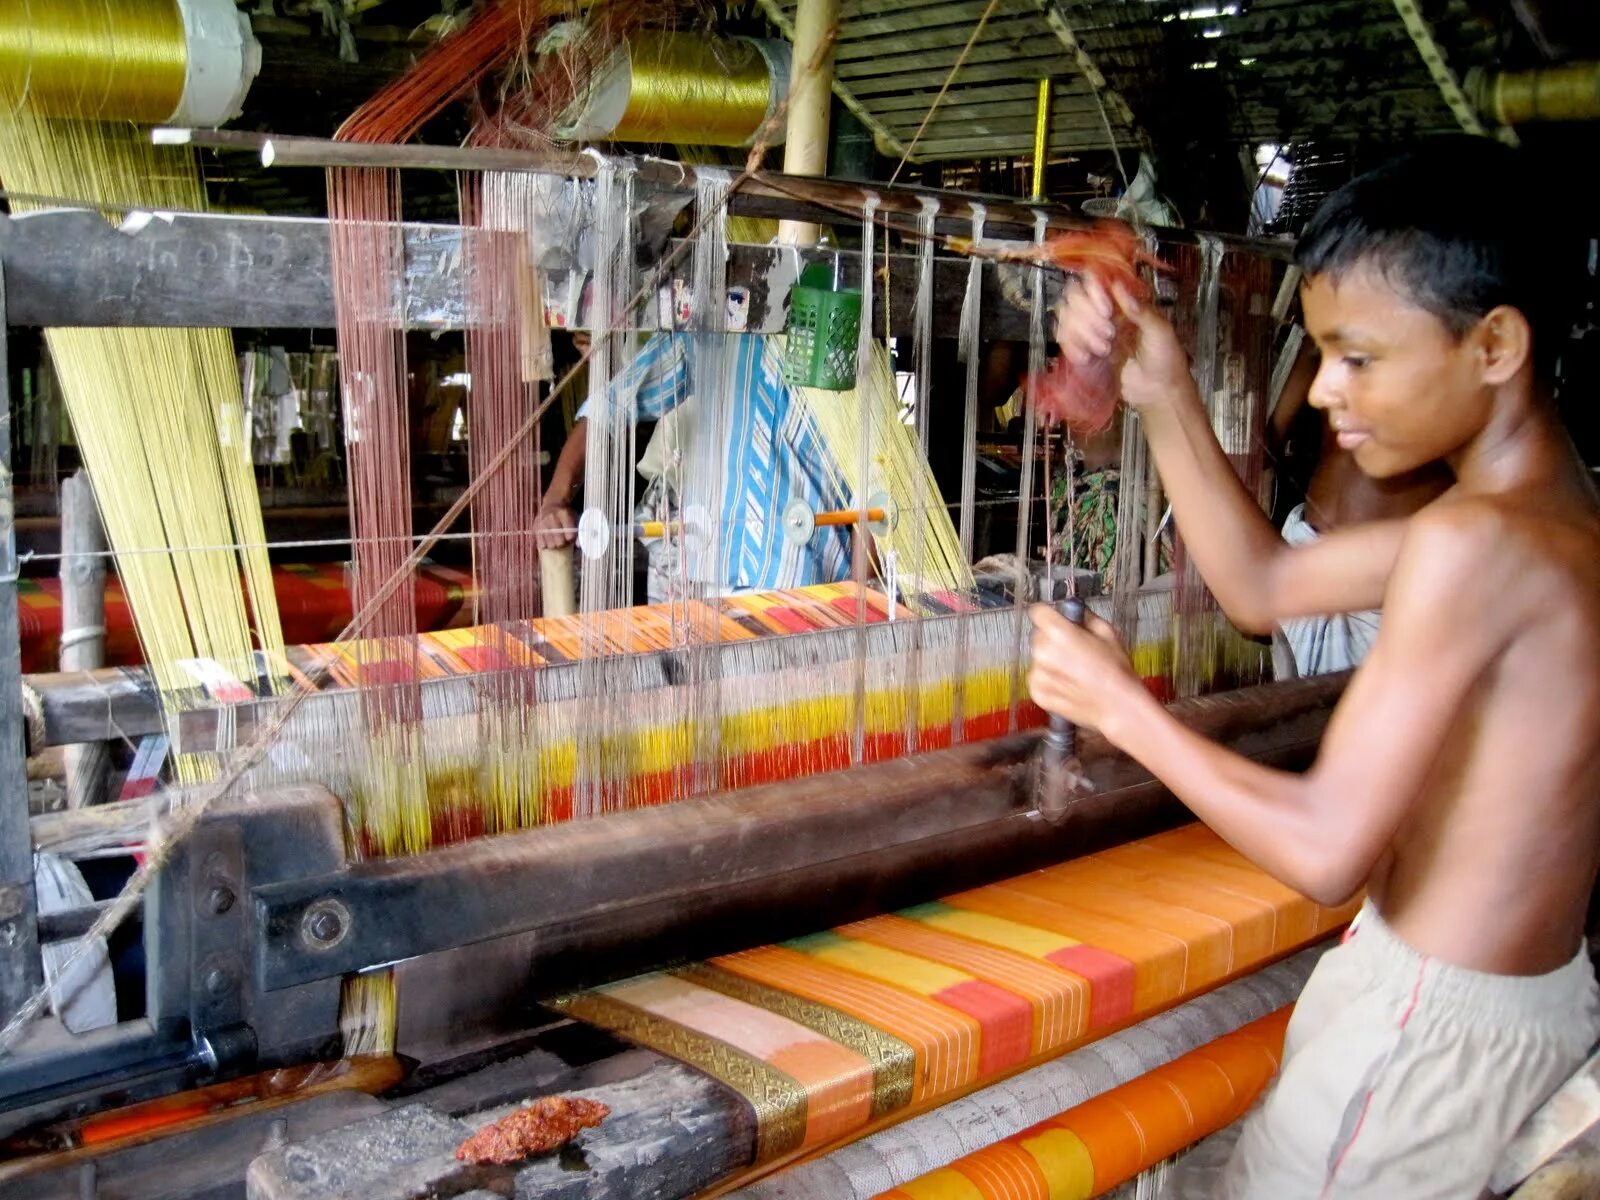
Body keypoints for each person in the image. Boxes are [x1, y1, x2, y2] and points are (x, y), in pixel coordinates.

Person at [1029, 139, 1600, 1198]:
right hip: (1506, 1001)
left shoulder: (1468, 544)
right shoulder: (1547, 518)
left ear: (1493, 346)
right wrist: (1160, 386)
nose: (1327, 389)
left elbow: (1327, 846)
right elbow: (1257, 585)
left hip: (1429, 1027)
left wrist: (1123, 712)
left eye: (1360, 357)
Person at [534, 331, 853, 596]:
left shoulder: (846, 350)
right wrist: (554, 501)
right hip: (706, 591)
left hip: (806, 597)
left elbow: (873, 495)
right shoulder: (714, 332)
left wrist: (864, 618)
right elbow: (611, 407)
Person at [1267, 340, 1451, 675]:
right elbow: (1269, 439)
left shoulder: (1430, 361)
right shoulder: (1327, 356)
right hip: (1310, 547)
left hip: (1379, 585)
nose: (1321, 393)